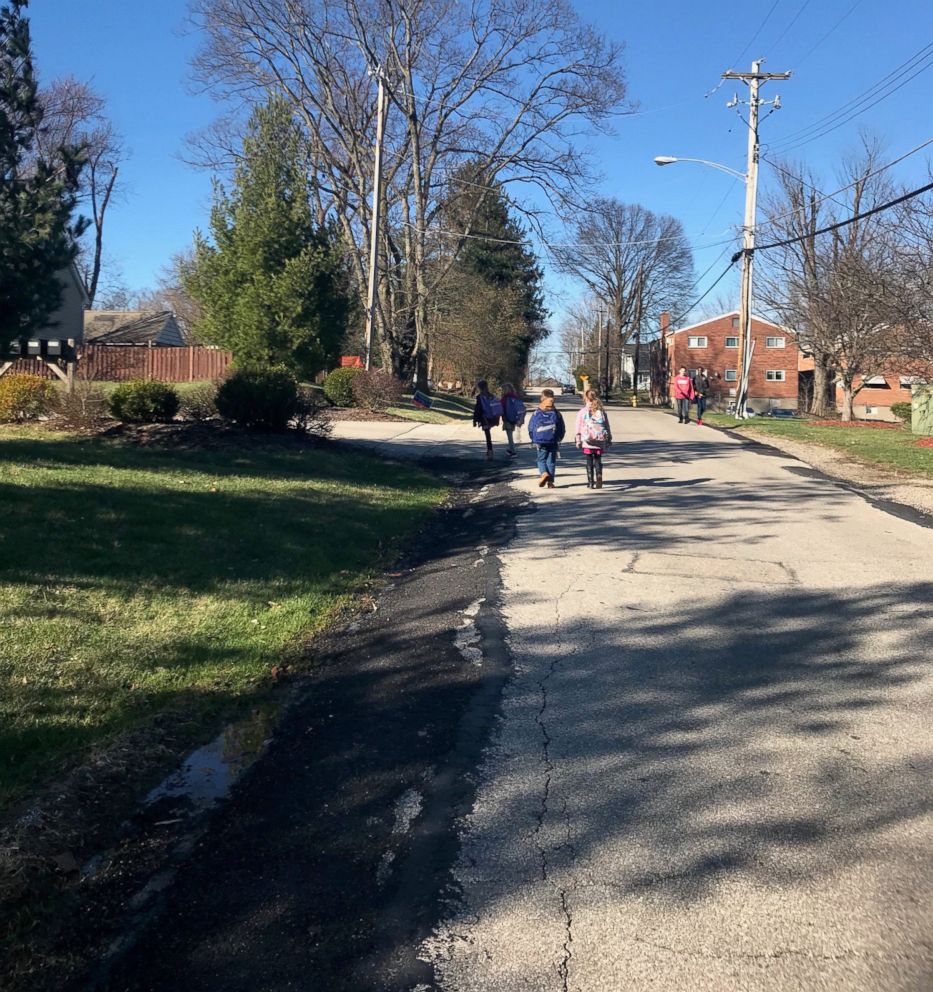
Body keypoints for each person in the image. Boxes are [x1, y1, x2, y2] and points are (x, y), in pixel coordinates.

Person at [527, 389, 566, 488]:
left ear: (542, 398)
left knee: (541, 459)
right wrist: (560, 438)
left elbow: (531, 427)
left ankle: (544, 473)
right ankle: (550, 482)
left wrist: (533, 438)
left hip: (540, 440)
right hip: (553, 440)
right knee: (551, 461)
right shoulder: (556, 413)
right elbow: (562, 427)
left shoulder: (537, 412)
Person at [575, 389, 612, 489]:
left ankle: (590, 483)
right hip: (600, 439)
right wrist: (609, 439)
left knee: (589, 460)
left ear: (585, 398)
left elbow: (578, 428)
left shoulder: (582, 412)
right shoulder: (601, 412)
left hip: (588, 440)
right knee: (598, 459)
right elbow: (606, 426)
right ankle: (599, 475)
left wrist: (578, 440)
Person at [472, 379, 502, 459]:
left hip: (484, 418)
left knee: (487, 434)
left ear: (480, 388)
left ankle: (490, 450)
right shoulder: (492, 396)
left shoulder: (480, 397)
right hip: (493, 417)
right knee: (488, 434)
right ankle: (489, 451)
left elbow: (477, 409)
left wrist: (475, 420)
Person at [500, 382, 526, 459]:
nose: (502, 391)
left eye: (502, 389)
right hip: (513, 418)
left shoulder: (505, 398)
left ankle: (513, 451)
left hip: (507, 418)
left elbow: (501, 408)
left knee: (509, 435)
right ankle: (510, 449)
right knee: (510, 434)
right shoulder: (515, 397)